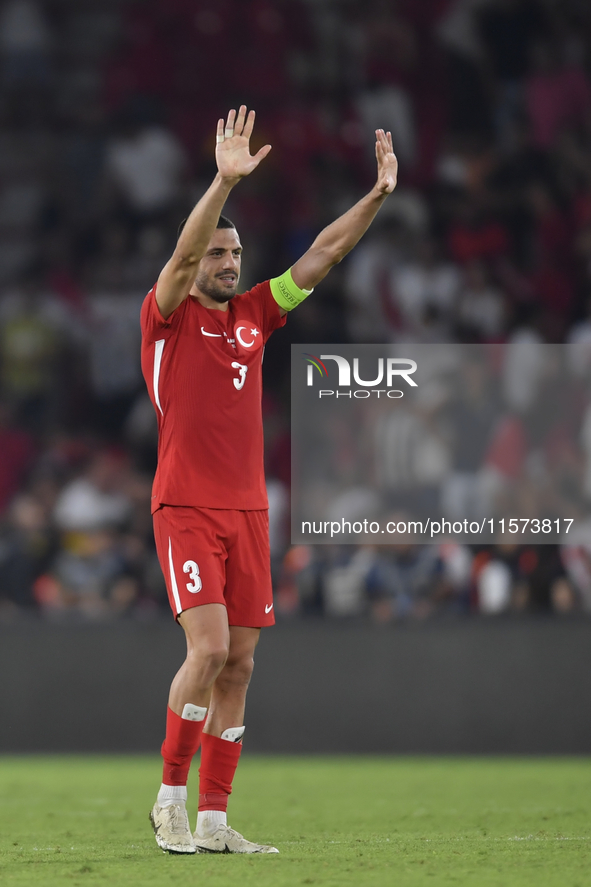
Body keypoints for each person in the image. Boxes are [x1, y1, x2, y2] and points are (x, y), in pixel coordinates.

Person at [140, 105, 398, 855]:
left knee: (241, 664)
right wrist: (221, 184)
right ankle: (168, 800)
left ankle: (216, 817)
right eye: (218, 252)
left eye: (235, 252)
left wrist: (378, 194)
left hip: (249, 510)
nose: (228, 262)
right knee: (210, 646)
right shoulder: (166, 316)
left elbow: (323, 253)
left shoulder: (256, 313)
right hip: (185, 503)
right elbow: (182, 261)